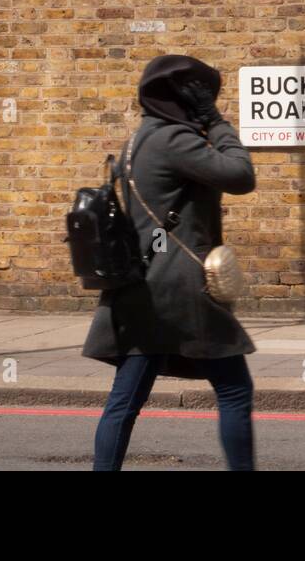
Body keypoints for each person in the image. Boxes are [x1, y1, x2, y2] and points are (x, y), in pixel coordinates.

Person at [83, 55, 258, 470]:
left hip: (145, 285)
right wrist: (216, 121)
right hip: (180, 289)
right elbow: (240, 175)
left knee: (125, 400)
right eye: (201, 97)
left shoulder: (139, 140)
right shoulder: (174, 141)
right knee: (234, 389)